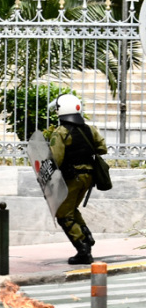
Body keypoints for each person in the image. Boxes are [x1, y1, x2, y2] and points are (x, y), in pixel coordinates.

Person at [49, 94, 107, 265]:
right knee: (71, 209)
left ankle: (83, 249)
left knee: (62, 214)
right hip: (88, 177)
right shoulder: (90, 129)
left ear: (61, 110)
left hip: (71, 178)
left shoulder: (60, 132)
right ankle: (87, 238)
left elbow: (55, 159)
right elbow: (102, 148)